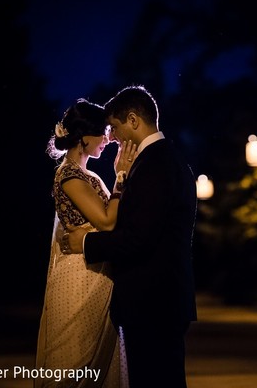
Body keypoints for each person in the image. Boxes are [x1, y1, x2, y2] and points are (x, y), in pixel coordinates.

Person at [61, 85, 198, 388]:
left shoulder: (156, 164)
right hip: (160, 299)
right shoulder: (163, 160)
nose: (113, 137)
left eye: (116, 127)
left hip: (154, 301)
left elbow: (137, 238)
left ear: (134, 120)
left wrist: (84, 242)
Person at [35, 98, 137, 388]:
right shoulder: (68, 176)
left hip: (96, 271)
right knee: (72, 361)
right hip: (79, 276)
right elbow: (105, 222)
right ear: (83, 137)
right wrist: (120, 177)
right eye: (102, 132)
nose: (107, 139)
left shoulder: (87, 175)